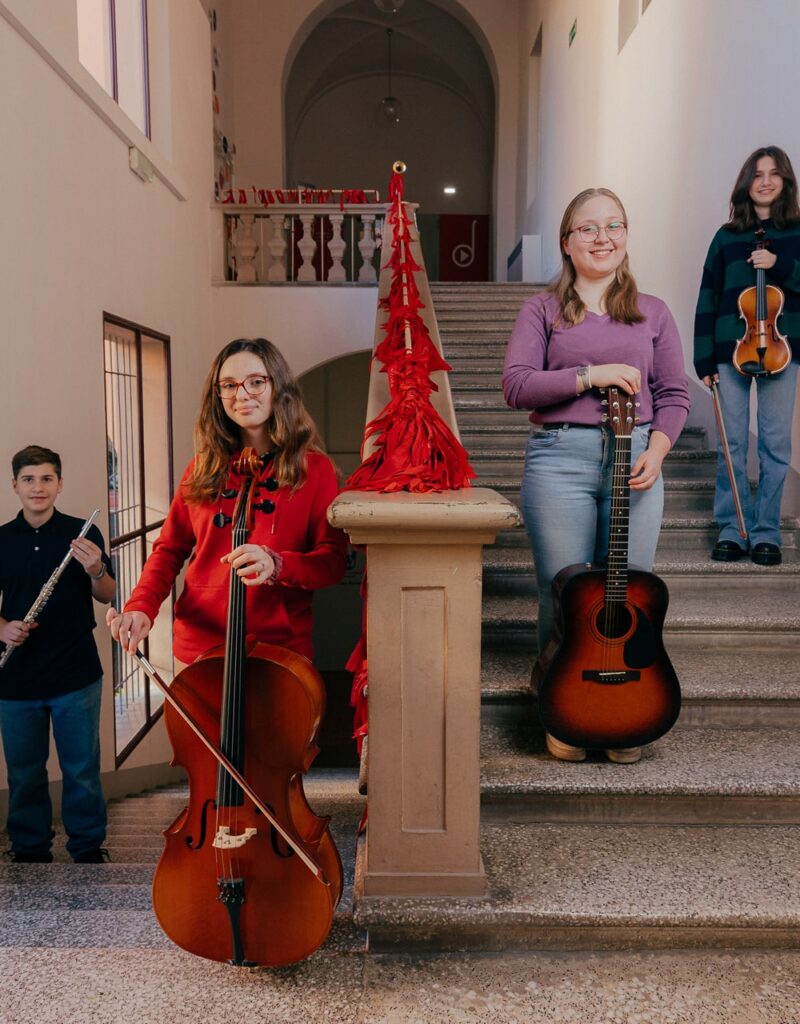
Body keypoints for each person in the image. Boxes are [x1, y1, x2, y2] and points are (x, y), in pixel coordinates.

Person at [503, 187, 690, 764]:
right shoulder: (542, 310)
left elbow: (675, 393)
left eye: (615, 225)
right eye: (589, 227)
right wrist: (590, 374)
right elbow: (517, 384)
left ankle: (625, 712)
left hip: (636, 458)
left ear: (626, 237)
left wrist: (658, 451)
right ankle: (563, 713)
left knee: (630, 590)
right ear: (567, 241)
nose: (603, 236)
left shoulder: (653, 311)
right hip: (559, 459)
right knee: (561, 593)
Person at [106, 338, 348, 669]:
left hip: (280, 649)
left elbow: (332, 563)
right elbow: (169, 549)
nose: (242, 394)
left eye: (256, 382)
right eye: (229, 385)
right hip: (200, 647)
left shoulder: (314, 470)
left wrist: (278, 565)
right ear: (218, 396)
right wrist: (140, 606)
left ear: (278, 387)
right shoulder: (202, 468)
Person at [0, 445, 116, 863]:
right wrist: (3, 627)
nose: (38, 487)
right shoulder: (1, 539)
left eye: (47, 478)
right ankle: (30, 846)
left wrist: (96, 569)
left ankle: (87, 845)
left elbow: (108, 594)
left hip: (75, 671)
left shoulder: (83, 535)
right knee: (25, 772)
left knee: (81, 769)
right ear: (15, 485)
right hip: (16, 677)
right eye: (29, 479)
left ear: (60, 483)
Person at [694, 145, 800, 566]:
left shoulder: (796, 232)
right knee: (730, 442)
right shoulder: (726, 236)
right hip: (728, 350)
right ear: (746, 182)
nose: (766, 181)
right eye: (757, 174)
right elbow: (708, 296)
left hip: (782, 349)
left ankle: (766, 532)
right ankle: (732, 528)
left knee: (775, 444)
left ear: (785, 181)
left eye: (774, 174)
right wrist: (703, 359)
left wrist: (779, 265)